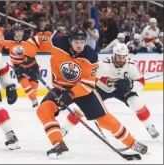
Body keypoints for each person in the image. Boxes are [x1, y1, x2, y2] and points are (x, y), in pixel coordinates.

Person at [24, 26, 147, 158]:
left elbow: (89, 83)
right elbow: (35, 41)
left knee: (104, 119)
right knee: (43, 110)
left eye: (82, 42)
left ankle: (132, 142)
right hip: (60, 88)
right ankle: (58, 143)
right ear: (69, 40)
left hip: (83, 91)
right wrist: (28, 58)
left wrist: (71, 94)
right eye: (76, 42)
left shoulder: (91, 56)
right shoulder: (57, 42)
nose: (80, 45)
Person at [61, 43, 159, 139]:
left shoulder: (132, 65)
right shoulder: (103, 64)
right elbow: (90, 75)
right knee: (82, 108)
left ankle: (149, 126)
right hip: (102, 89)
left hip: (122, 90)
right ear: (114, 55)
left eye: (123, 56)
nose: (121, 59)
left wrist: (131, 84)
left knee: (136, 102)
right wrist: (105, 80)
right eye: (119, 56)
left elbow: (141, 83)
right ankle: (64, 129)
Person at [0, 22, 39, 108]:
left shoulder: (28, 41)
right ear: (14, 33)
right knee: (25, 83)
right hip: (18, 67)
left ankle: (33, 96)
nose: (20, 33)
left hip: (31, 65)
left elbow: (34, 51)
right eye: (17, 31)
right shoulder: (9, 41)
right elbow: (0, 42)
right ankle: (33, 100)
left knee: (34, 86)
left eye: (21, 31)